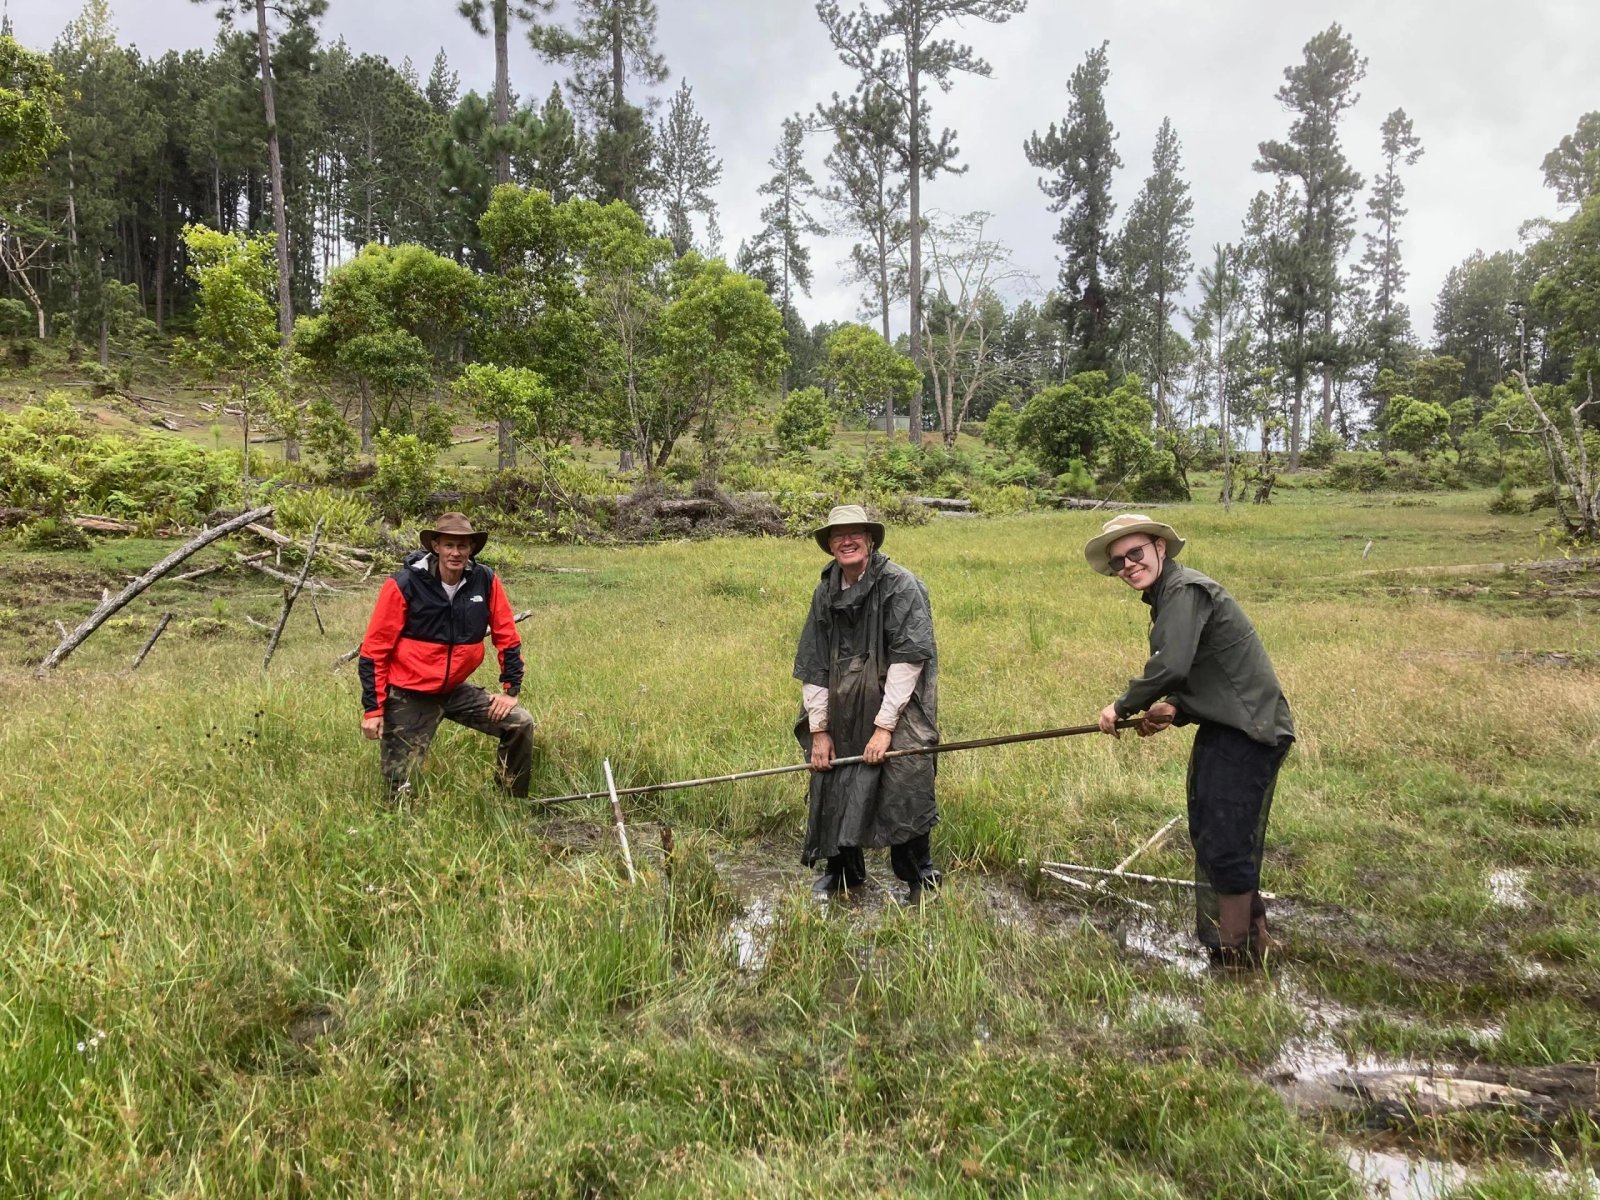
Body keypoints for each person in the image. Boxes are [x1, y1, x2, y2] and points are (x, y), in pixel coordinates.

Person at [1085, 513, 1294, 968]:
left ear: (1160, 547)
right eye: (1119, 562)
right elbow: (1206, 666)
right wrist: (1175, 707)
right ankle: (1256, 942)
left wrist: (1121, 707)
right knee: (1214, 829)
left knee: (1224, 839)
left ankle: (1234, 958)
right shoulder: (1169, 595)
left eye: (1135, 553)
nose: (1128, 565)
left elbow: (1172, 665)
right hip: (1229, 725)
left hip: (1248, 729)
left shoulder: (1183, 591)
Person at [793, 504, 943, 903]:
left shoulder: (900, 585)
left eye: (855, 532)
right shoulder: (825, 591)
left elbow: (909, 658)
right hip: (841, 703)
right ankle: (843, 871)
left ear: (871, 540)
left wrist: (884, 725)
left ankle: (919, 875)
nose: (847, 540)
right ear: (829, 545)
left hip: (898, 701)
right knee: (831, 771)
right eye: (838, 535)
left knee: (904, 775)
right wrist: (819, 729)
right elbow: (813, 662)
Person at [358, 512, 535, 802]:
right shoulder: (404, 585)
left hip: (455, 691)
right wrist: (373, 710)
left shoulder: (485, 581)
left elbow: (507, 636)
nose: (456, 553)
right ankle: (399, 827)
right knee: (399, 788)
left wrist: (510, 690)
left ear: (471, 549)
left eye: (463, 546)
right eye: (449, 545)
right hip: (410, 693)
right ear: (436, 546)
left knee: (520, 723)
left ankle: (510, 802)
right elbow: (374, 652)